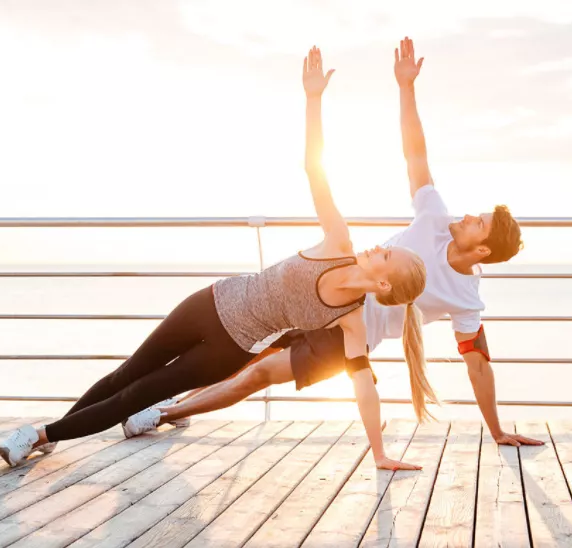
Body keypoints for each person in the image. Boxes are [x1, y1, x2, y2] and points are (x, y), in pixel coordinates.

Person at [0, 46, 435, 469]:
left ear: (383, 284)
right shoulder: (338, 241)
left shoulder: (352, 321)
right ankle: (52, 433)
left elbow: (364, 388)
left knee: (137, 395)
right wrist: (313, 98)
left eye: (386, 255)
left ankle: (37, 435)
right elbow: (313, 169)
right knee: (126, 374)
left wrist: (379, 453)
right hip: (210, 302)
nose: (379, 246)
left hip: (230, 349)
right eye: (387, 246)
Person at [125, 37, 544, 450]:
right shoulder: (435, 217)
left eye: (478, 223)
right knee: (244, 352)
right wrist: (406, 87)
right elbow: (415, 154)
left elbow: (478, 367)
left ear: (482, 250)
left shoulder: (467, 299)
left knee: (258, 375)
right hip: (328, 291)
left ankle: (162, 414)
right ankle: (167, 401)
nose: (468, 216)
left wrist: (497, 431)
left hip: (351, 337)